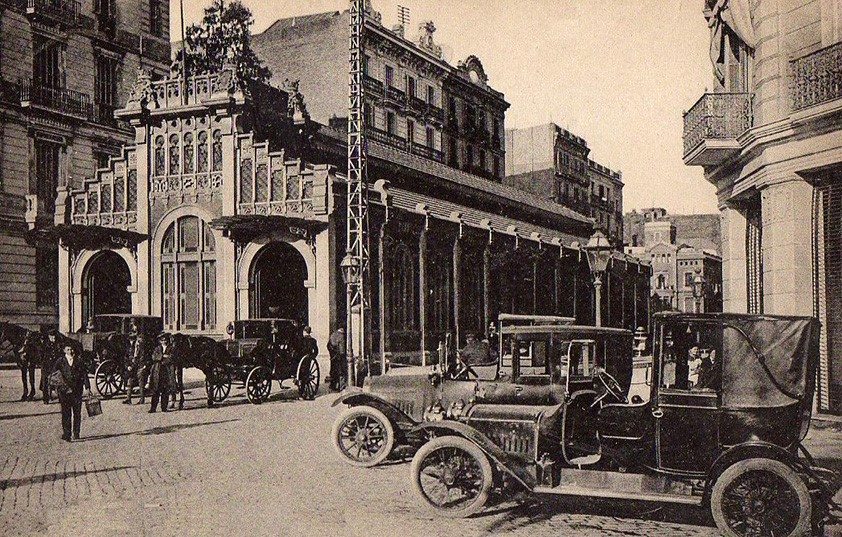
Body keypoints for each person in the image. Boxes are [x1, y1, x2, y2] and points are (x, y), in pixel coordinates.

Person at [52, 343, 91, 441]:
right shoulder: (60, 361)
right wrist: (54, 388)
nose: (70, 351)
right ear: (64, 350)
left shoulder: (79, 361)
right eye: (68, 349)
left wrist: (87, 387)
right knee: (66, 413)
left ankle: (76, 433)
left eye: (72, 349)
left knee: (77, 413)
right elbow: (54, 375)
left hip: (77, 391)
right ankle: (67, 434)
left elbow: (84, 374)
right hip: (64, 392)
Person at [148, 332, 175, 413]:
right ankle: (153, 408)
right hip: (157, 371)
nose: (164, 341)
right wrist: (162, 356)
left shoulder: (171, 348)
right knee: (155, 390)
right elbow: (153, 357)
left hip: (167, 371)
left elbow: (172, 358)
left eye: (165, 340)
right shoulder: (157, 348)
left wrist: (161, 359)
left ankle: (164, 408)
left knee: (165, 391)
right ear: (160, 341)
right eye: (162, 340)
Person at [124, 324, 150, 405]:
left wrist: (145, 366)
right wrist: (129, 365)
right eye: (137, 340)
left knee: (141, 383)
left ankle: (142, 399)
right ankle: (128, 399)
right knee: (130, 381)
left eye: (140, 340)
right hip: (134, 366)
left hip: (140, 367)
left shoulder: (143, 349)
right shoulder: (132, 347)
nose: (138, 342)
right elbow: (129, 357)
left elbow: (147, 358)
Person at [40, 329, 62, 404]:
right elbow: (41, 355)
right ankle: (45, 399)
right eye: (52, 337)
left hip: (55, 366)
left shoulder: (58, 344)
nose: (54, 339)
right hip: (46, 366)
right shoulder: (45, 344)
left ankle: (60, 397)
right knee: (45, 382)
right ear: (49, 337)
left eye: (55, 337)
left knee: (58, 382)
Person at [327, 327, 346, 392]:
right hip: (339, 357)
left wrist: (332, 353)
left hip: (333, 357)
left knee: (333, 372)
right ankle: (341, 387)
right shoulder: (341, 336)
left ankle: (332, 386)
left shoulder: (332, 335)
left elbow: (328, 345)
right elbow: (342, 349)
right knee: (341, 372)